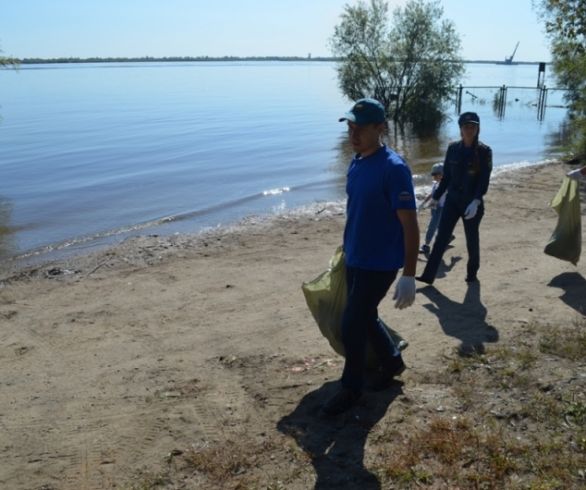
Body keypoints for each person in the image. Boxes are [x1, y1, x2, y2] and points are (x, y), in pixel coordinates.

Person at [322, 98, 419, 416]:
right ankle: (391, 361)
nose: (354, 134)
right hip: (355, 256)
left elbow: (410, 224)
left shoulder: (394, 169)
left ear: (380, 128)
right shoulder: (357, 161)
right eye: (350, 128)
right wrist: (346, 248)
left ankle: (351, 388)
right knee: (365, 316)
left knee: (352, 323)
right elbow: (359, 212)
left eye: (361, 128)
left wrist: (408, 274)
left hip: (380, 263)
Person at [416, 112, 492, 285]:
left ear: (478, 128)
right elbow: (447, 176)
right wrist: (435, 197)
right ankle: (428, 275)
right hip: (452, 200)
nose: (469, 130)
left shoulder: (484, 151)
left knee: (471, 239)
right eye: (466, 127)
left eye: (473, 126)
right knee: (441, 237)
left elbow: (484, 179)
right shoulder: (453, 149)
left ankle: (472, 273)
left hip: (471, 203)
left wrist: (477, 200)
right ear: (460, 129)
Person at [419, 163, 447, 255]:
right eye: (433, 174)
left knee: (432, 226)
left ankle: (426, 246)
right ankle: (448, 236)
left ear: (442, 174)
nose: (433, 176)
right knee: (439, 225)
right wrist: (423, 203)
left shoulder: (446, 186)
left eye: (436, 174)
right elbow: (432, 194)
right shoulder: (435, 184)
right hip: (434, 208)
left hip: (440, 209)